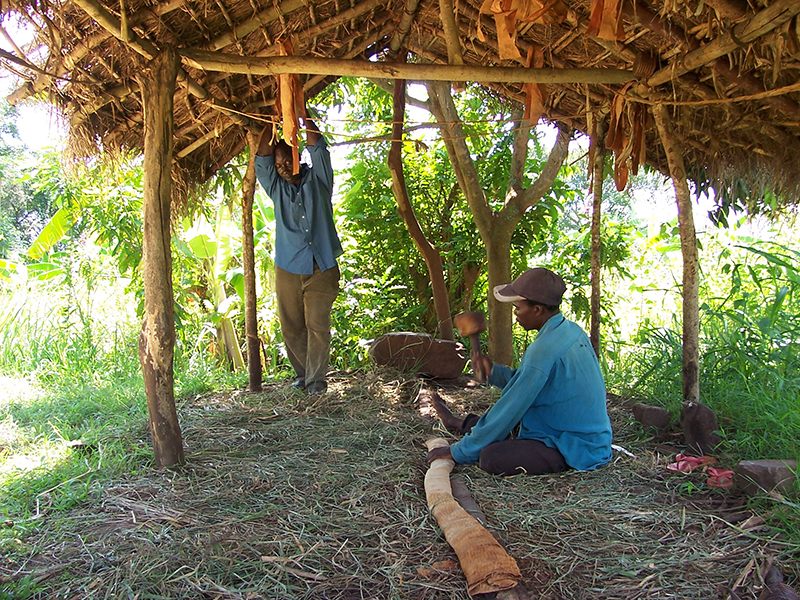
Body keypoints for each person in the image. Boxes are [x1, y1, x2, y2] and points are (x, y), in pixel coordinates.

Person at [425, 267, 612, 475]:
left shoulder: (544, 350)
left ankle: (466, 429)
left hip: (576, 446)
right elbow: (529, 381)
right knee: (502, 430)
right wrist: (493, 372)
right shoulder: (570, 331)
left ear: (538, 310)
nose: (515, 315)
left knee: (491, 457)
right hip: (574, 432)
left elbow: (509, 408)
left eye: (518, 308)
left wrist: (457, 452)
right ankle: (462, 424)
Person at [255, 110, 342, 395]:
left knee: (317, 325)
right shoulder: (276, 189)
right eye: (278, 164)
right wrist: (272, 124)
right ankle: (303, 375)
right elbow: (262, 160)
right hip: (288, 267)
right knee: (292, 326)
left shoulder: (320, 181)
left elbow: (318, 148)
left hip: (322, 266)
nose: (280, 168)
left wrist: (301, 117)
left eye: (285, 161)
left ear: (297, 157)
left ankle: (316, 383)